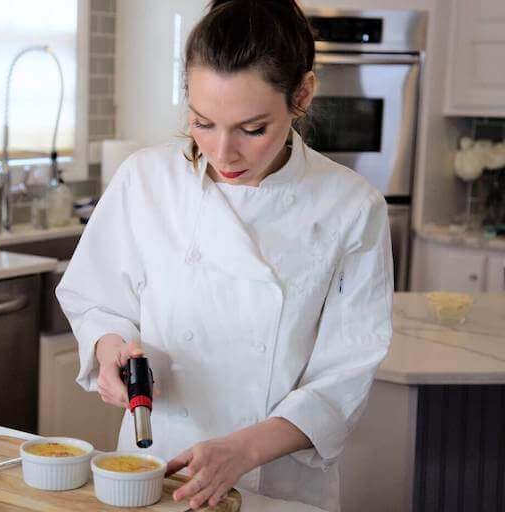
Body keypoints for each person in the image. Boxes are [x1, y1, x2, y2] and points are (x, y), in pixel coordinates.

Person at [56, 1, 393, 510]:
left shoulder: (350, 206)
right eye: (202, 122)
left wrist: (243, 450)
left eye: (252, 129)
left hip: (275, 482)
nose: (222, 152)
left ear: (301, 94)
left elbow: (344, 376)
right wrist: (110, 352)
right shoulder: (145, 179)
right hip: (154, 469)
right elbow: (95, 300)